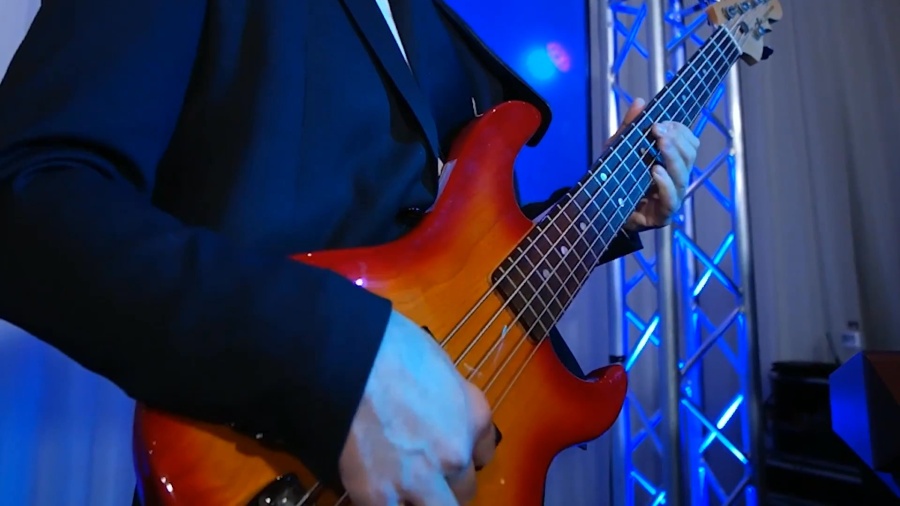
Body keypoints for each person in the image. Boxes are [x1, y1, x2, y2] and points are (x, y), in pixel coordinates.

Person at [0, 0, 698, 504]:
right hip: (267, 466)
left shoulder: (428, 27)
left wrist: (609, 212)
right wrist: (335, 361)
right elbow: (28, 191)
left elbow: (459, 265)